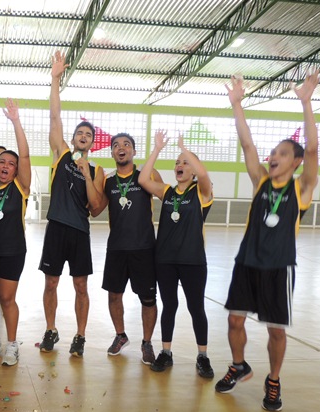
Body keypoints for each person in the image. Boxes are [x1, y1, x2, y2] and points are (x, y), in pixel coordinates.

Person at [215, 71, 319, 412]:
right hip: (247, 262)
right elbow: (247, 144)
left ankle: (273, 380)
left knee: (276, 331)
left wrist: (306, 102)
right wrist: (237, 106)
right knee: (234, 320)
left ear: (296, 162)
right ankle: (239, 364)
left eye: (282, 153)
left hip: (278, 268)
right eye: (272, 152)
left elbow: (315, 148)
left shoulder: (300, 189)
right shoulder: (261, 181)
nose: (273, 156)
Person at [38, 51, 104, 357]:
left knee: (80, 287)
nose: (82, 136)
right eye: (79, 132)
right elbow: (54, 116)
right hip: (56, 229)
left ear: (91, 142)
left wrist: (86, 176)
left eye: (88, 134)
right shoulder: (61, 154)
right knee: (51, 282)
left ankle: (80, 335)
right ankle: (50, 329)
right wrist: (55, 79)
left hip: (80, 232)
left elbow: (96, 207)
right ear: (73, 137)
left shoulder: (96, 170)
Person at [138, 131, 215, 378]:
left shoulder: (201, 193)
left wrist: (185, 148)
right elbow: (142, 179)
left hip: (193, 261)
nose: (180, 165)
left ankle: (202, 356)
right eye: (178, 162)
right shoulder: (168, 192)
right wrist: (157, 149)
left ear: (192, 170)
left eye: (185, 163)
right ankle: (166, 352)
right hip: (166, 261)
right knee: (169, 305)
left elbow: (203, 174)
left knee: (196, 308)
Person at [90, 133, 161, 364]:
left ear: (134, 151)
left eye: (126, 145)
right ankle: (121, 335)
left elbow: (170, 197)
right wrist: (87, 178)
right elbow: (96, 209)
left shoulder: (147, 175)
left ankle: (147, 342)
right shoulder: (108, 181)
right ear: (112, 153)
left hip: (144, 248)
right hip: (117, 248)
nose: (121, 148)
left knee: (148, 298)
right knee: (114, 295)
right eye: (116, 146)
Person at [0, 99, 31, 366]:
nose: (6, 165)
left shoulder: (21, 188)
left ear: (15, 168)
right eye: (2, 161)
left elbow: (25, 155)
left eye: (11, 163)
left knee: (7, 298)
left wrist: (15, 122)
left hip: (12, 252)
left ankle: (12, 343)